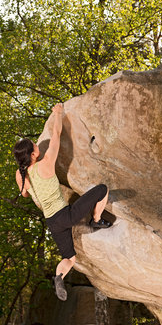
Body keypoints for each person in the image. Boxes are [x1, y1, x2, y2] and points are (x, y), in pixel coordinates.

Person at [13, 103, 111, 301]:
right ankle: (96, 219)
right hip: (65, 215)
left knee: (70, 258)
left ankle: (59, 277)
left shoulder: (20, 174)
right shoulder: (46, 164)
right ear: (33, 155)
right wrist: (58, 113)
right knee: (102, 189)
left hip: (52, 221)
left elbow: (24, 194)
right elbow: (56, 135)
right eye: (34, 145)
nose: (36, 146)